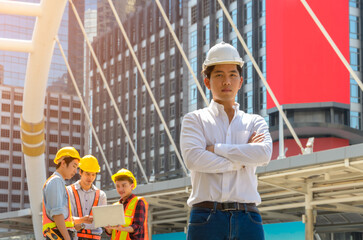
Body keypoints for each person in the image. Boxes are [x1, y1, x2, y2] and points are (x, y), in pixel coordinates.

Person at [180, 42, 272, 240]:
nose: (226, 81)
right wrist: (243, 160)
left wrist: (216, 149)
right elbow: (194, 159)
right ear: (207, 82)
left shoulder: (254, 121)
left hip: (249, 218)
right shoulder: (194, 120)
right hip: (206, 218)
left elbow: (264, 154)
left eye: (232, 75)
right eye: (219, 75)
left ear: (240, 81)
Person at [42, 146, 82, 240]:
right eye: (74, 166)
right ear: (63, 163)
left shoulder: (58, 182)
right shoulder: (56, 181)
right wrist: (67, 238)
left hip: (58, 234)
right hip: (59, 235)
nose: (75, 171)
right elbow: (57, 214)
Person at [67, 155, 107, 240]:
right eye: (87, 174)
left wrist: (81, 224)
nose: (90, 177)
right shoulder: (69, 191)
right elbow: (66, 217)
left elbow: (102, 221)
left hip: (95, 237)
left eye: (93, 175)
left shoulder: (101, 195)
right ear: (80, 172)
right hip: (75, 237)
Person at [105, 168, 149, 240]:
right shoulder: (115, 206)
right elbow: (111, 232)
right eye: (118, 186)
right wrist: (108, 228)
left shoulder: (138, 202)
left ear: (132, 186)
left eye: (124, 185)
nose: (120, 189)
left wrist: (122, 228)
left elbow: (138, 227)